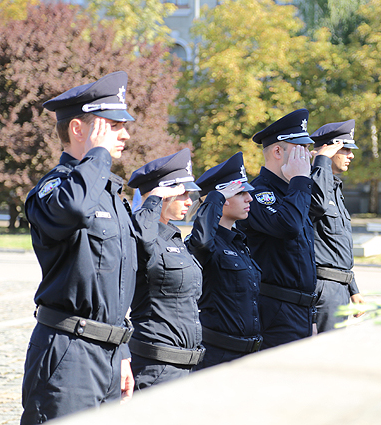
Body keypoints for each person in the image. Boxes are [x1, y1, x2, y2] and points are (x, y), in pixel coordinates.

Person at [22, 71, 137, 424]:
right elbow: (71, 209)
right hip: (68, 353)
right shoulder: (54, 189)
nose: (126, 135)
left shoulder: (111, 196)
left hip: (109, 354)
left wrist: (122, 353)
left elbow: (114, 285)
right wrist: (97, 155)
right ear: (78, 129)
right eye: (113, 126)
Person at [238, 109, 317, 349]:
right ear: (277, 151)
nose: (307, 156)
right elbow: (288, 226)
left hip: (301, 310)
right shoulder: (259, 193)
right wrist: (300, 180)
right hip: (275, 309)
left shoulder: (294, 191)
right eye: (300, 149)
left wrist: (310, 316)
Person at [127, 149, 206, 389]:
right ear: (164, 195)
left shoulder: (173, 236)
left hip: (185, 364)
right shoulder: (143, 231)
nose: (189, 202)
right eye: (182, 195)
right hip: (156, 366)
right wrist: (153, 199)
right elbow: (141, 240)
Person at [186, 152, 262, 369]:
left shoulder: (237, 242)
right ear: (221, 200)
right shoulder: (204, 243)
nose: (249, 198)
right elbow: (202, 243)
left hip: (247, 354)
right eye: (241, 193)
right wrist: (215, 199)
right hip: (217, 357)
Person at [309, 119, 365, 332]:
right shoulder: (313, 185)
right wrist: (321, 160)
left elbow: (337, 247)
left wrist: (353, 289)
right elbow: (318, 205)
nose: (351, 155)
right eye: (345, 149)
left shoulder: (334, 186)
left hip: (339, 285)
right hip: (324, 285)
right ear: (330, 150)